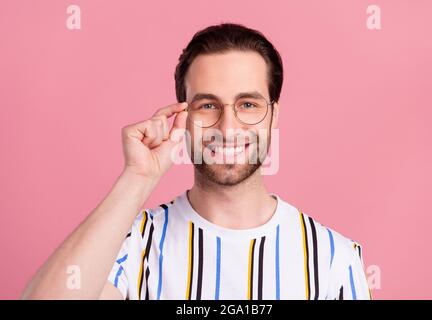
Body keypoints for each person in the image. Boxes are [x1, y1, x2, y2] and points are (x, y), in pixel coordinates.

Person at [22, 23, 371, 300]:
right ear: (182, 115)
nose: (228, 127)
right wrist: (137, 178)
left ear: (273, 115)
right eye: (207, 105)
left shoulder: (334, 259)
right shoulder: (131, 243)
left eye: (248, 104)